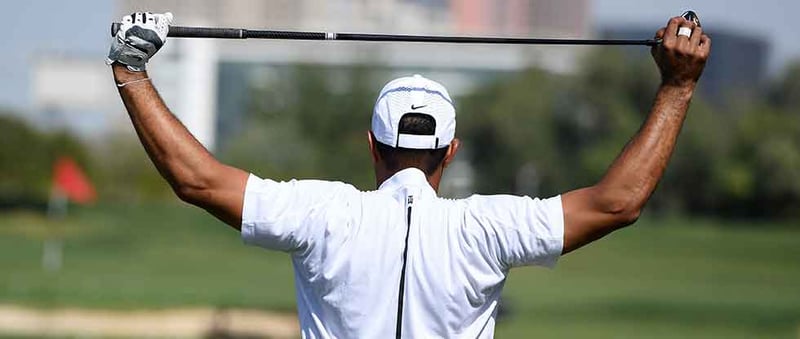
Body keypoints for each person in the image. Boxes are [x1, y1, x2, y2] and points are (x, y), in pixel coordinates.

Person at [107, 12, 710, 338]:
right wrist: (677, 88)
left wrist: (132, 70)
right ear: (451, 152)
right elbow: (618, 203)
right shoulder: (486, 227)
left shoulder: (326, 214)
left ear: (372, 146)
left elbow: (199, 181)